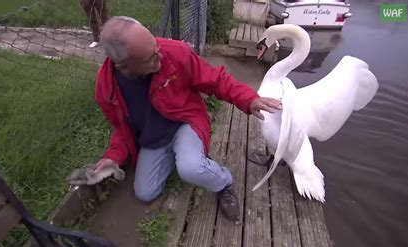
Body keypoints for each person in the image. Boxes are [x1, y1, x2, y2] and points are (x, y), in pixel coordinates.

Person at [93, 16, 282, 221]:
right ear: (124, 67)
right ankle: (183, 156)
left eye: (156, 46)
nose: (160, 55)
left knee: (190, 168)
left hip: (185, 122)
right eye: (150, 58)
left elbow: (216, 81)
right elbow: (122, 128)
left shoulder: (174, 52)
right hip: (153, 137)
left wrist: (249, 99)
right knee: (145, 193)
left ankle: (223, 181)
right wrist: (113, 157)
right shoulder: (107, 90)